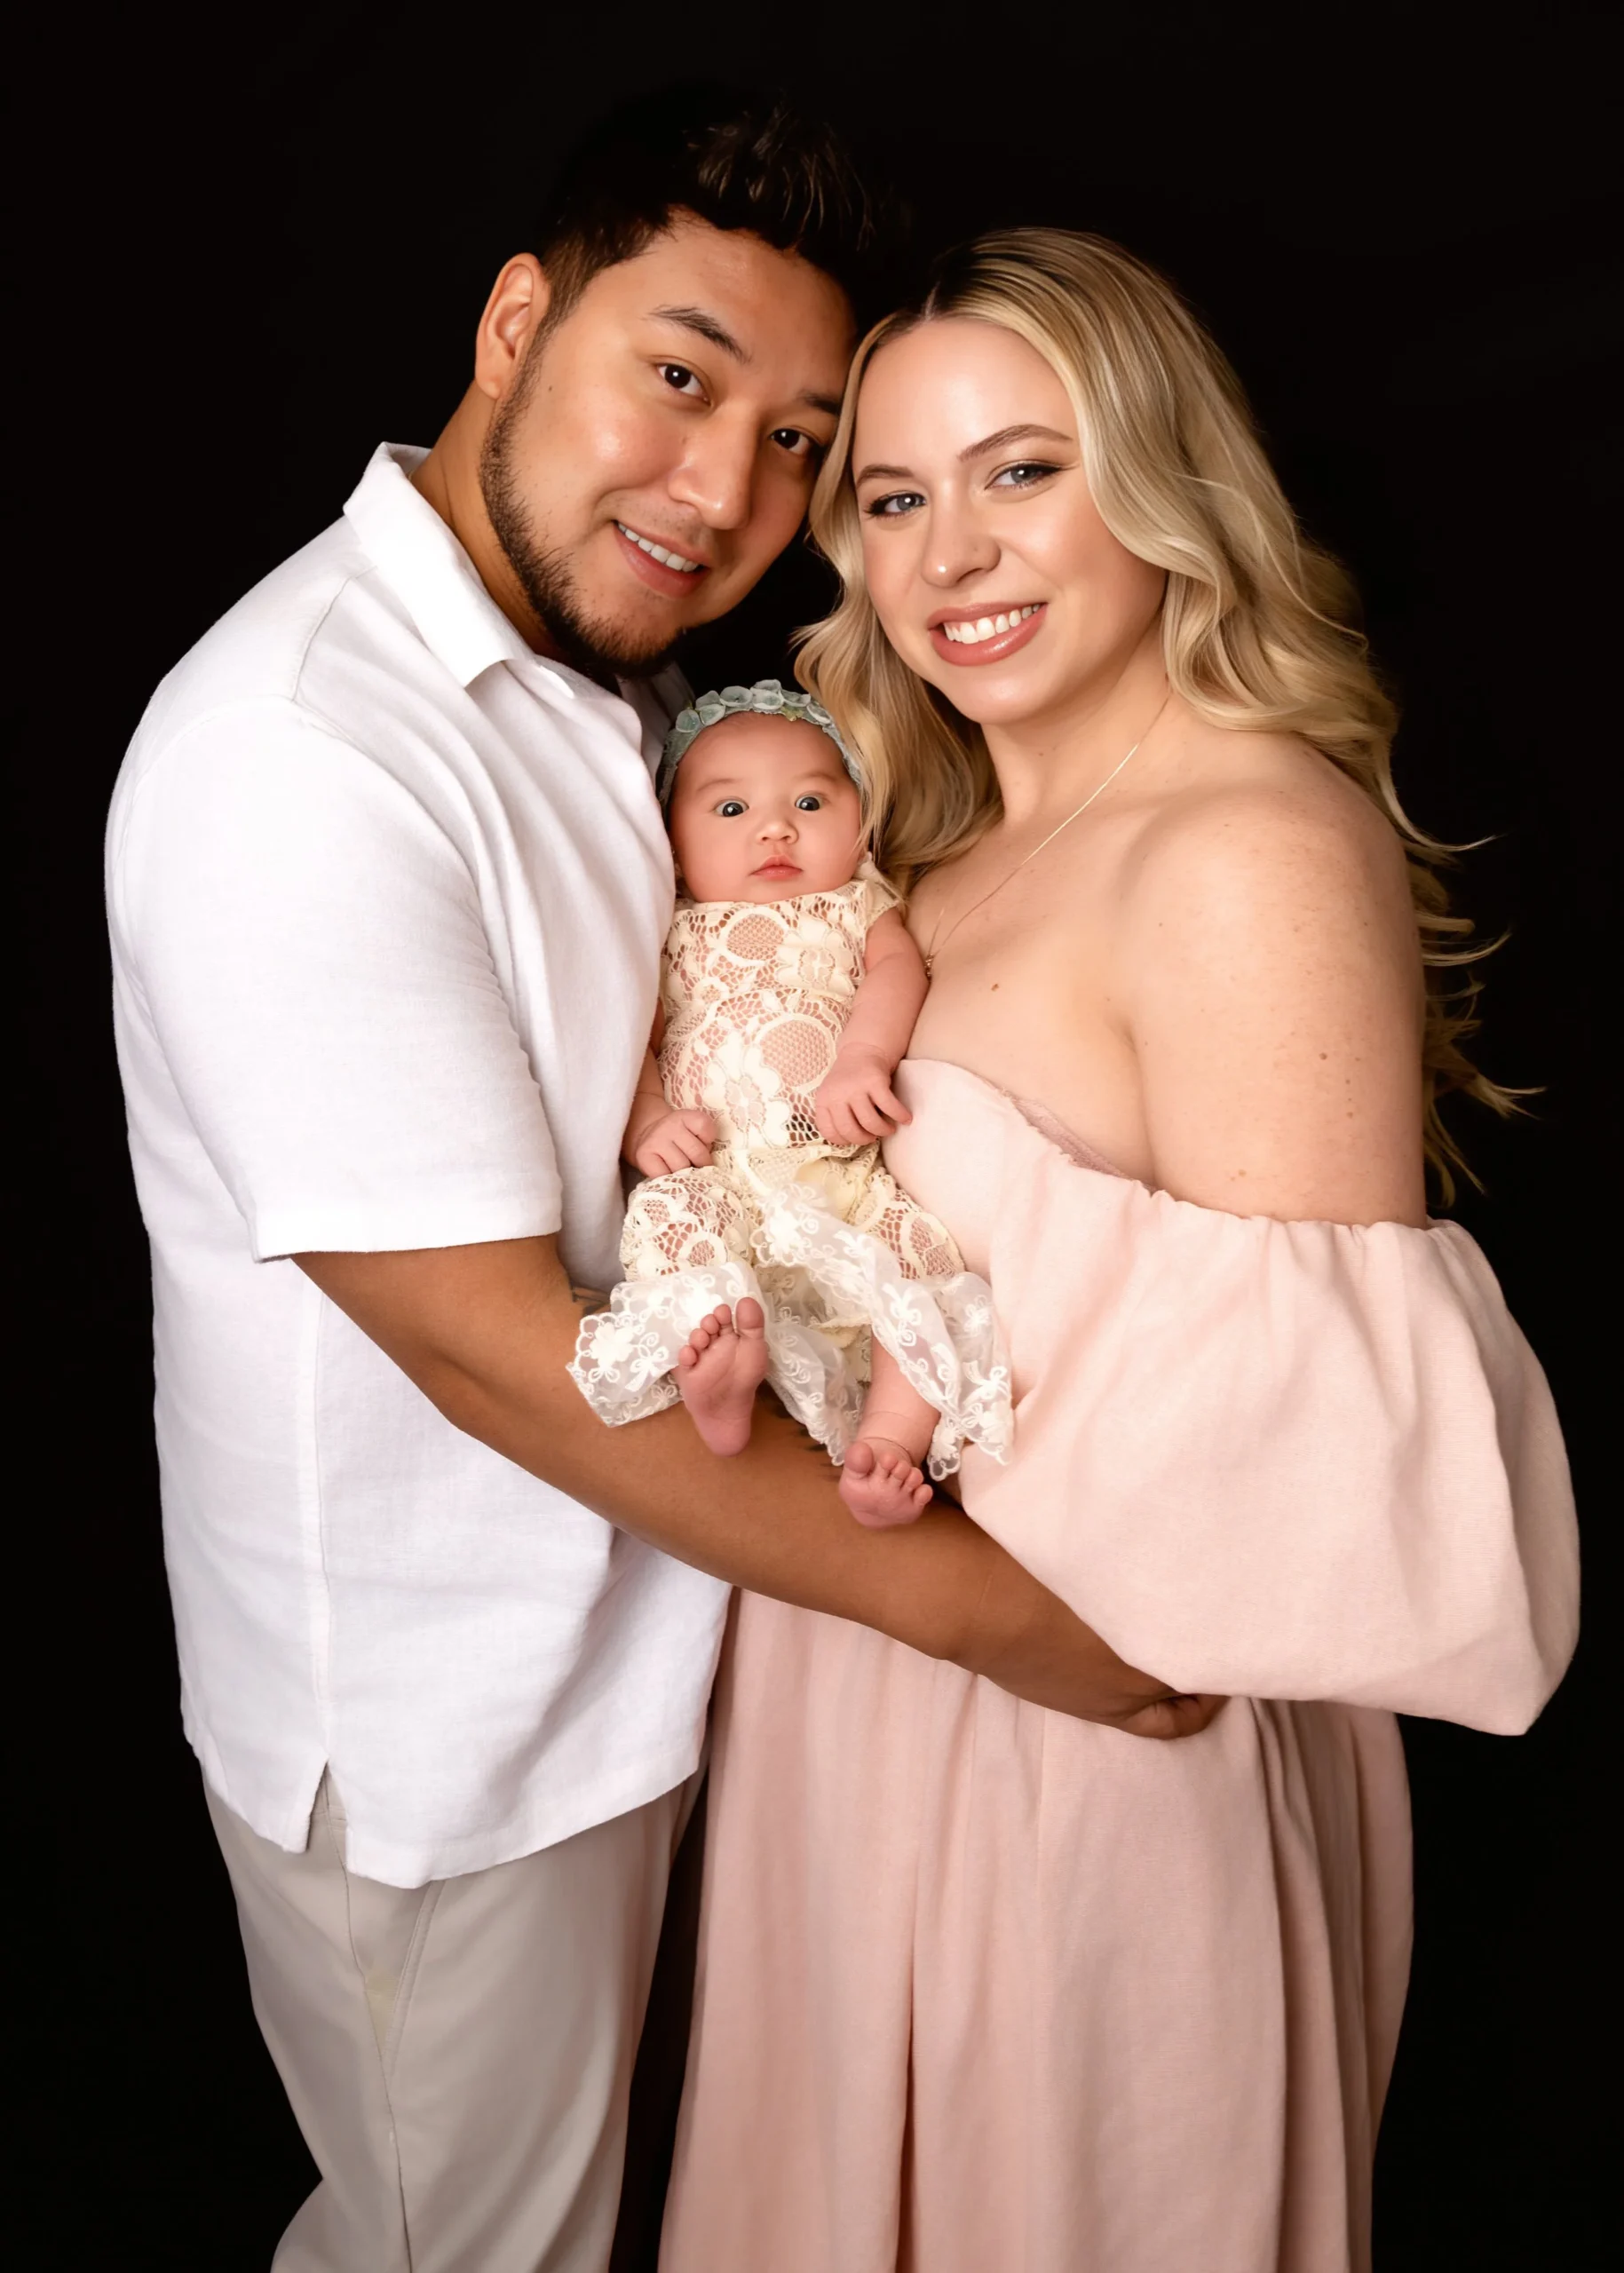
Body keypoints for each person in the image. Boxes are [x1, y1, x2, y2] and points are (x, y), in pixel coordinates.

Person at [106, 102, 1220, 2273]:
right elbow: (490, 1350)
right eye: (679, 375)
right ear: (519, 319)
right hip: (454, 1742)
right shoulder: (300, 752)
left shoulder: (600, 680)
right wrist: (1032, 1632)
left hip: (655, 1643)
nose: (726, 493)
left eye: (800, 438)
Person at [660, 229, 1580, 2272]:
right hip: (849, 1709)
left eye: (1022, 469)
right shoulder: (925, 859)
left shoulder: (1242, 841)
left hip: (1093, 1759)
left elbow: (1315, 1476)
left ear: (1163, 482)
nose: (951, 551)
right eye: (892, 497)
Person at [569, 677, 1012, 1526]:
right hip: (722, 1169)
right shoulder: (671, 929)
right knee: (675, 1221)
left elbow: (896, 973)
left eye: (810, 800)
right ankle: (718, 1386)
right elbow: (634, 1046)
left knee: (918, 1273)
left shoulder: (859, 907)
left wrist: (862, 1060)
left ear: (862, 826)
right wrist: (649, 1122)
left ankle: (888, 1441)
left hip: (839, 1169)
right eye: (729, 811)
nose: (775, 828)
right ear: (669, 840)